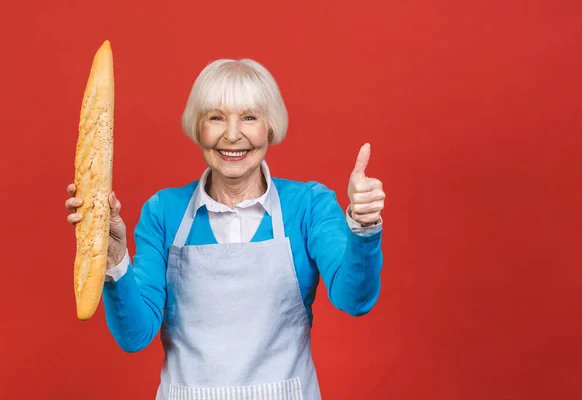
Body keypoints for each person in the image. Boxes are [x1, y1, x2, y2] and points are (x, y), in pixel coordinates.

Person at [65, 58, 385, 400]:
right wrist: (112, 258)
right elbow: (135, 336)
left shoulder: (308, 205)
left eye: (249, 117)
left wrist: (363, 227)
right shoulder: (163, 212)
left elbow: (355, 300)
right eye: (216, 117)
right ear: (197, 127)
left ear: (270, 126)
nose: (232, 135)